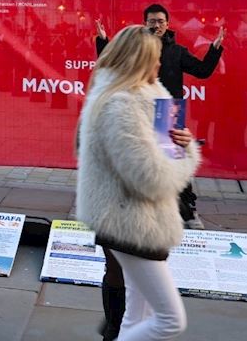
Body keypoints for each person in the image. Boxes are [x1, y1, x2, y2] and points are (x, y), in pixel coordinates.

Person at [77, 25, 200, 341]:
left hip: (136, 217)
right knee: (170, 320)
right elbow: (153, 179)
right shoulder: (122, 105)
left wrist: (180, 144)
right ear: (140, 61)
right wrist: (187, 154)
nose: (160, 64)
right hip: (132, 221)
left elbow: (160, 155)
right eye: (155, 58)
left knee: (137, 315)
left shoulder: (145, 94)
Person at [96, 5, 224, 229]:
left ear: (167, 24)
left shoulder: (177, 51)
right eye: (152, 21)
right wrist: (103, 41)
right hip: (139, 108)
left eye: (160, 21)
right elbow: (111, 65)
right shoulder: (135, 49)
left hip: (169, 111)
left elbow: (202, 71)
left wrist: (215, 48)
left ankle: (187, 211)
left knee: (174, 161)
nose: (156, 25)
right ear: (145, 23)